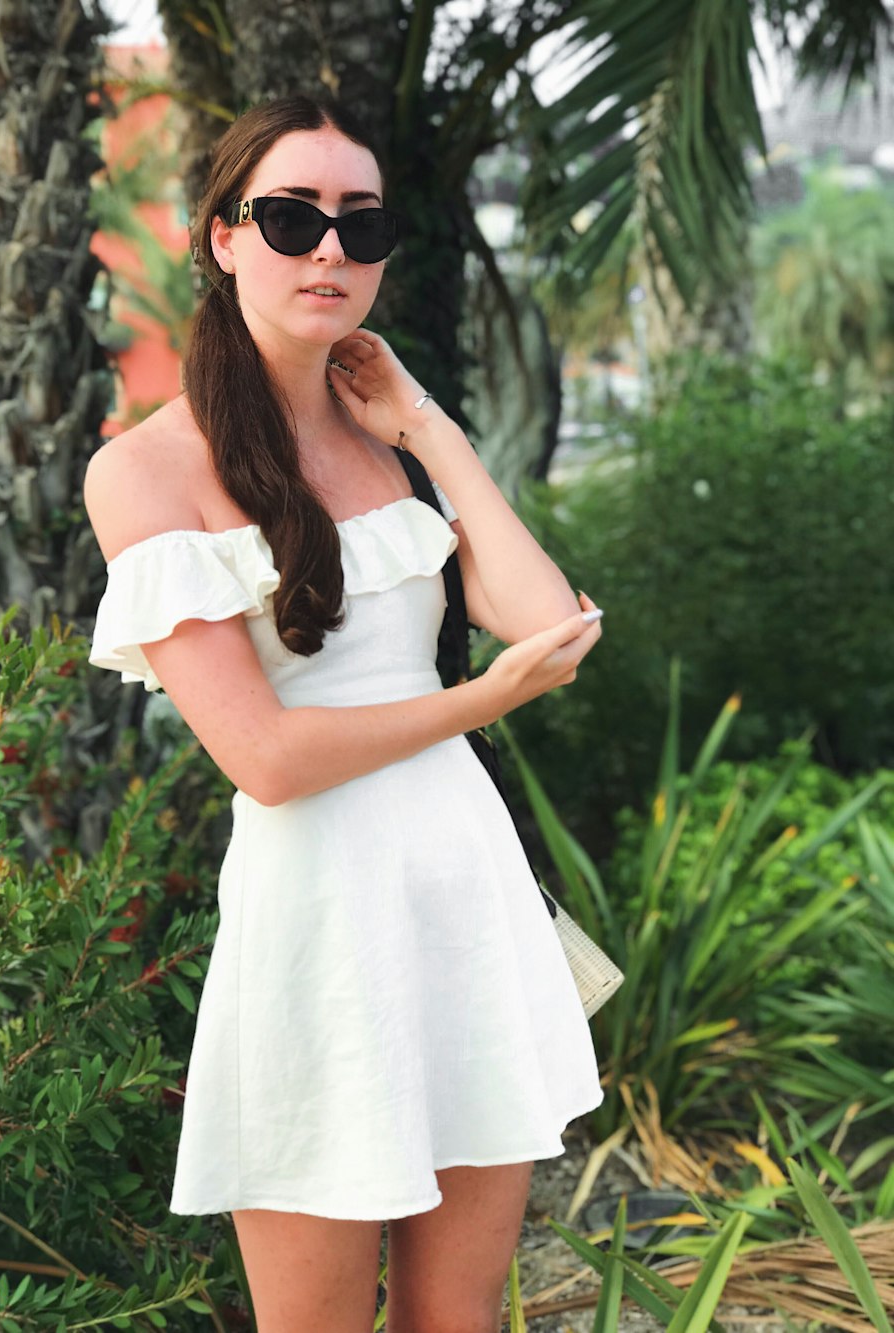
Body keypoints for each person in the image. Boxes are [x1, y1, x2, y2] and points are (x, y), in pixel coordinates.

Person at [85, 94, 605, 1333]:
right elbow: (262, 757)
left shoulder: (390, 440)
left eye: (359, 227)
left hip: (463, 896)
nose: (328, 250)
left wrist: (427, 426)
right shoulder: (147, 469)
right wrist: (477, 699)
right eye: (290, 217)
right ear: (221, 238)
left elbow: (549, 633)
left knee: (457, 1321)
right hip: (324, 922)